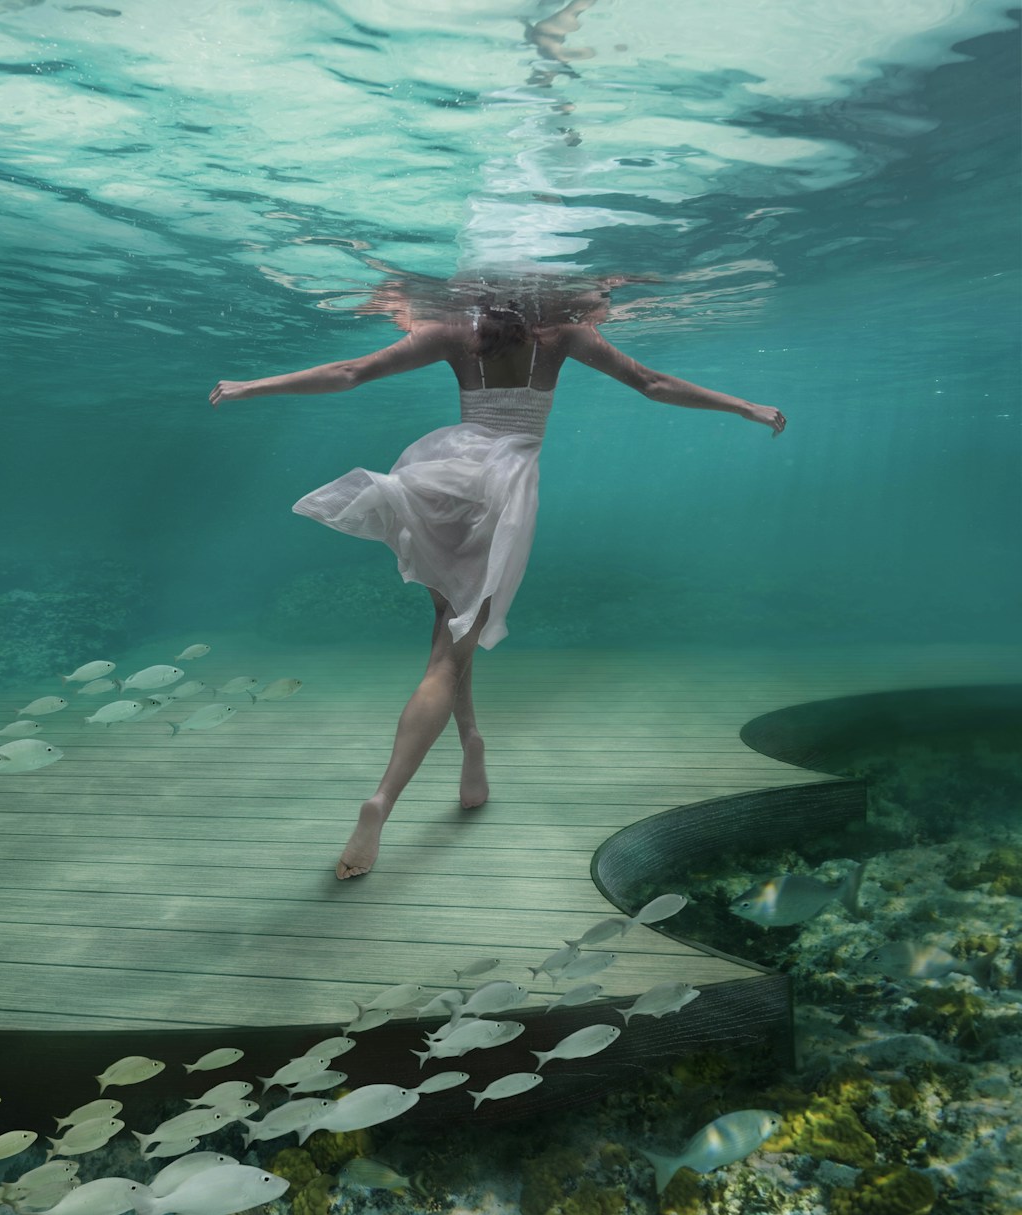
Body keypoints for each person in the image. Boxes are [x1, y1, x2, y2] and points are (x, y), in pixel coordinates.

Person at [210, 289, 785, 880]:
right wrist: (744, 406)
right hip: (501, 494)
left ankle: (473, 749)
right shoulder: (564, 336)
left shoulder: (451, 329)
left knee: (452, 625)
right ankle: (382, 800)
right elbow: (653, 383)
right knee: (446, 656)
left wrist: (254, 386)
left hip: (441, 478)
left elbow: (350, 372)